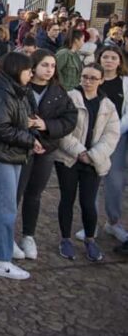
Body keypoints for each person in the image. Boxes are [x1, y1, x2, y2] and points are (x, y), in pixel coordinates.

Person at [0, 52, 41, 280]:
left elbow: (22, 120)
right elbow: (0, 128)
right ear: (15, 70)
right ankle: (2, 259)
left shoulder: (16, 90)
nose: (31, 73)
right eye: (28, 69)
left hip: (11, 154)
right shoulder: (0, 93)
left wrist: (31, 134)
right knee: (5, 207)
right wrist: (30, 140)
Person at [54, 63, 121, 261]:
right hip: (69, 158)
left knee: (88, 202)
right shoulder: (69, 98)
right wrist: (80, 151)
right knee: (67, 198)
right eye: (85, 77)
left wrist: (92, 155)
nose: (88, 81)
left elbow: (111, 135)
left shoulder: (108, 105)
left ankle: (90, 240)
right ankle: (65, 239)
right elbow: (63, 129)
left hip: (93, 161)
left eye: (93, 78)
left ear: (101, 80)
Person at [15, 49, 78, 260]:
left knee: (34, 194)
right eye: (45, 65)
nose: (49, 69)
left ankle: (28, 235)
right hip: (21, 147)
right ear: (33, 67)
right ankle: (5, 235)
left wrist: (47, 125)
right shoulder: (21, 87)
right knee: (14, 193)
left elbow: (70, 119)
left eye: (52, 66)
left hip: (47, 149)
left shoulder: (58, 92)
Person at [95, 46, 128, 245]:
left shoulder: (125, 83)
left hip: (118, 137)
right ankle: (89, 222)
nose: (108, 60)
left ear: (119, 61)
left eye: (113, 57)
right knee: (90, 181)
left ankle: (113, 221)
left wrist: (114, 132)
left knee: (115, 180)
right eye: (105, 57)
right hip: (95, 136)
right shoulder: (93, 80)